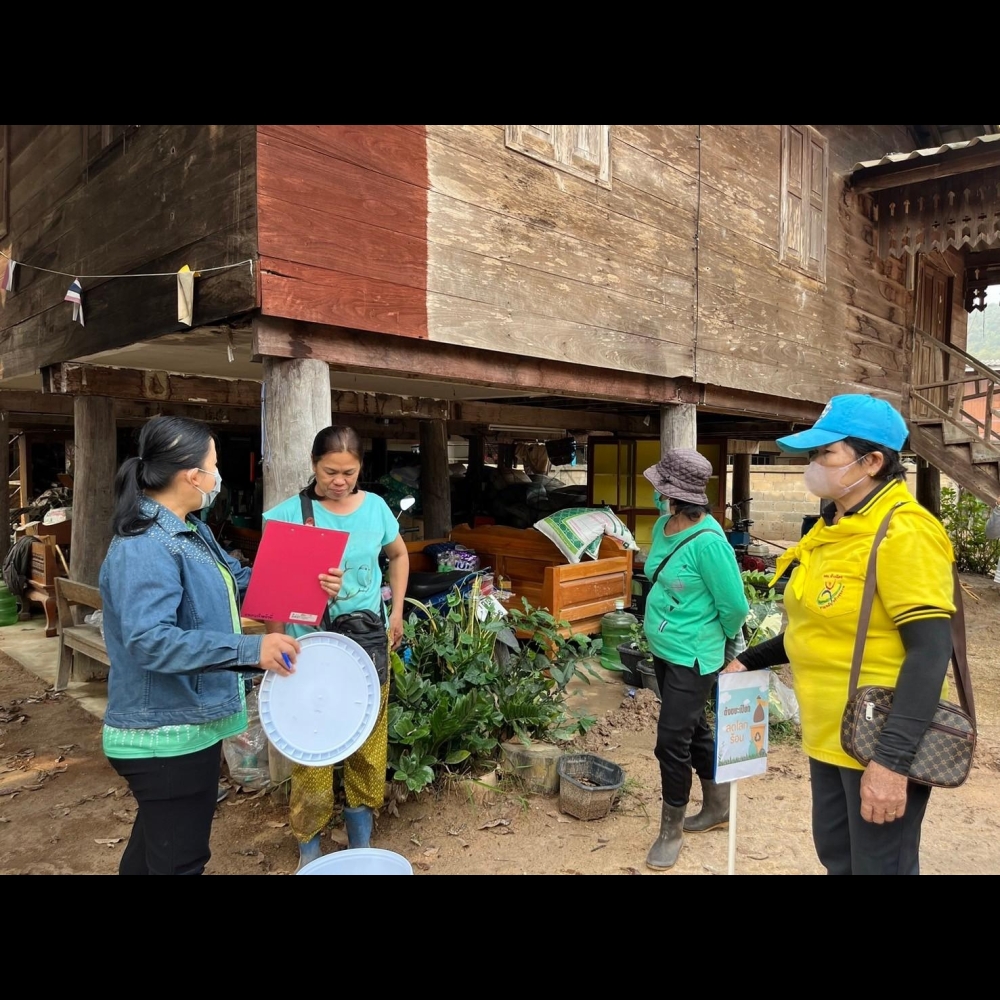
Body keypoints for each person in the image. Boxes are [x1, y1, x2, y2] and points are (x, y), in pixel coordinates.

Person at [725, 394, 955, 875]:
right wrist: (750, 659)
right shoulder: (835, 528)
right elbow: (822, 627)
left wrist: (891, 763)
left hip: (877, 738)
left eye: (825, 453)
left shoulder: (904, 533)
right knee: (837, 856)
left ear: (871, 462)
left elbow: (931, 652)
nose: (813, 465)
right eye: (812, 454)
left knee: (879, 867)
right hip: (830, 734)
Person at [99, 416, 337, 876]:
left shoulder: (190, 531)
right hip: (163, 735)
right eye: (214, 464)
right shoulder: (145, 545)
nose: (217, 476)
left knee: (151, 856)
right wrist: (251, 650)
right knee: (180, 862)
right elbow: (150, 642)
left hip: (187, 726)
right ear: (193, 476)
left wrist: (313, 581)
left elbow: (244, 583)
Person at [263, 426, 409, 869]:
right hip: (309, 651)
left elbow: (398, 555)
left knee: (368, 744)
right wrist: (276, 641)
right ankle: (309, 848)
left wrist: (397, 612)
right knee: (312, 750)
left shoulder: (377, 508)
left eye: (349, 472)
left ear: (360, 468)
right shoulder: (289, 515)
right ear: (313, 465)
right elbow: (272, 590)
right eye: (330, 472)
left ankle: (360, 842)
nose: (340, 481)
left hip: (367, 646)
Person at [641, 448, 749, 871]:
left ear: (673, 494)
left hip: (694, 656)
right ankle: (718, 806)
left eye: (659, 487)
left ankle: (671, 830)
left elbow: (735, 607)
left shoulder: (710, 544)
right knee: (694, 728)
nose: (655, 493)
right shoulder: (663, 526)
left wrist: (717, 641)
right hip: (664, 648)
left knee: (671, 741)